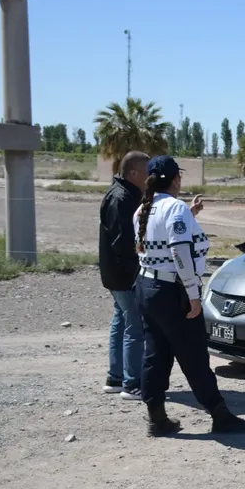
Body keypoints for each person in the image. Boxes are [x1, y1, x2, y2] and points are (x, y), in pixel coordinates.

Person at [134, 155, 245, 436]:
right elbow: (179, 253)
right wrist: (192, 294)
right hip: (171, 291)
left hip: (146, 287)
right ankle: (220, 415)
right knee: (193, 356)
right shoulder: (175, 208)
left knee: (155, 354)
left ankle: (157, 418)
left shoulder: (143, 209)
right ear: (176, 178)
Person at [99, 151, 149, 399]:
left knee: (121, 322)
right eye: (147, 171)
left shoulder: (124, 194)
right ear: (133, 173)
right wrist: (137, 272)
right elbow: (124, 242)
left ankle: (116, 378)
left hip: (116, 273)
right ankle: (132, 383)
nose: (150, 177)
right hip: (124, 274)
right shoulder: (122, 198)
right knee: (135, 327)